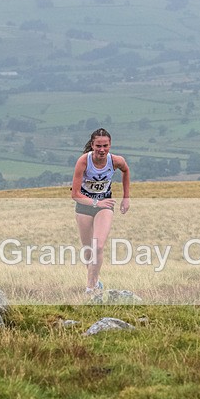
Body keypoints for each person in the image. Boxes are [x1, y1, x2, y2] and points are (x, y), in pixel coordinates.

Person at [71, 128, 130, 298]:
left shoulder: (116, 161)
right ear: (92, 145)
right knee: (88, 251)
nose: (102, 149)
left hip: (105, 206)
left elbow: (126, 171)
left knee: (98, 246)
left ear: (110, 145)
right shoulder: (83, 161)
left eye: (105, 146)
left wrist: (126, 198)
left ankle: (90, 289)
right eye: (98, 146)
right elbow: (75, 194)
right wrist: (96, 202)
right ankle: (96, 282)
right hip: (84, 205)